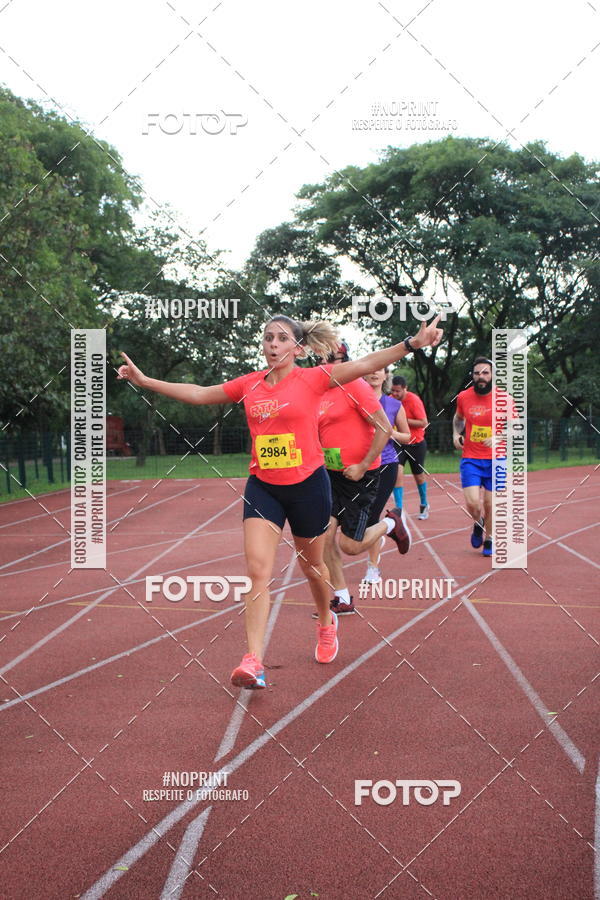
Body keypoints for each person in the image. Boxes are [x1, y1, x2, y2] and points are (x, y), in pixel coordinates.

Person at [117, 314, 443, 689]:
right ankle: (253, 660)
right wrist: (145, 382)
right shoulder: (249, 383)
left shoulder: (314, 379)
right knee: (257, 571)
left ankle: (326, 621)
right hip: (264, 487)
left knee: (312, 567)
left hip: (308, 486)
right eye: (267, 337)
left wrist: (412, 343)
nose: (272, 344)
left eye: (281, 338)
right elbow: (199, 393)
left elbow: (366, 364)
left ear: (297, 348)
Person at [317, 355, 409, 617]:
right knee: (323, 535)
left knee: (350, 546)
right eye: (322, 360)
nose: (326, 365)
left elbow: (383, 427)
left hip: (362, 475)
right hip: (331, 474)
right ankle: (342, 597)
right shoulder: (317, 391)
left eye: (333, 360)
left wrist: (363, 463)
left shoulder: (355, 386)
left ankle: (391, 524)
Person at [452, 357, 512, 558]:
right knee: (472, 504)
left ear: (493, 375)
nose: (481, 377)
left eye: (485, 373)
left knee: (490, 503)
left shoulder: (505, 399)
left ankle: (490, 538)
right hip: (471, 458)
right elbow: (458, 418)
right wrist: (455, 433)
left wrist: (499, 436)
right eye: (477, 373)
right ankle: (477, 523)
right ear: (472, 376)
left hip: (497, 459)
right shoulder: (463, 397)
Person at [361, 368, 411, 585]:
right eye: (370, 370)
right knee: (351, 523)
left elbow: (407, 436)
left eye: (378, 371)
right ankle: (389, 525)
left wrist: (390, 432)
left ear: (385, 376)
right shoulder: (354, 400)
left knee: (371, 517)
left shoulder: (394, 405)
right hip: (359, 465)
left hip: (386, 464)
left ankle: (373, 568)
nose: (374, 373)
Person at [390, 375, 430, 519]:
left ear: (405, 389)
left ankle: (424, 504)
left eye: (398, 391)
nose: (394, 394)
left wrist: (403, 420)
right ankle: (398, 509)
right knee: (397, 473)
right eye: (393, 391)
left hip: (416, 443)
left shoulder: (414, 400)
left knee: (419, 476)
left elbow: (423, 422)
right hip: (399, 443)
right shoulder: (390, 400)